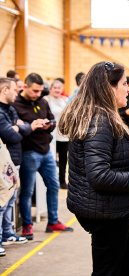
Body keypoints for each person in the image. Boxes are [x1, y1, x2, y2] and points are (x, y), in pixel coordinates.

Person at [59, 61, 129, 275]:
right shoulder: (100, 121)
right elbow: (99, 175)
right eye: (124, 84)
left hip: (109, 207)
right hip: (105, 211)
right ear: (108, 87)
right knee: (110, 269)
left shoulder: (99, 116)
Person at [12, 73, 73, 240]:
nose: (38, 94)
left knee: (53, 186)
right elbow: (16, 128)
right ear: (25, 87)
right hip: (28, 153)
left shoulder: (42, 101)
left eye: (40, 91)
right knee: (27, 191)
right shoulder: (15, 105)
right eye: (34, 91)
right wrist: (30, 126)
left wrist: (48, 125)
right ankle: (27, 226)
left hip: (46, 152)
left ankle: (53, 221)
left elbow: (53, 121)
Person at [0, 78, 33, 256]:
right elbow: (12, 136)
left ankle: (8, 233)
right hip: (3, 164)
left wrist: (18, 128)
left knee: (11, 200)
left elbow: (24, 130)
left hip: (14, 162)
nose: (17, 92)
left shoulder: (11, 109)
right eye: (14, 89)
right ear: (5, 90)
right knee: (2, 201)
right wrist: (18, 129)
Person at [44, 79, 69, 189]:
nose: (57, 90)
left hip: (63, 134)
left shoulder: (64, 100)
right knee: (52, 158)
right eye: (55, 87)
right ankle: (51, 181)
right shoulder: (46, 100)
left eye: (59, 88)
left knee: (63, 159)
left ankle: (62, 181)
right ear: (51, 89)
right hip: (51, 134)